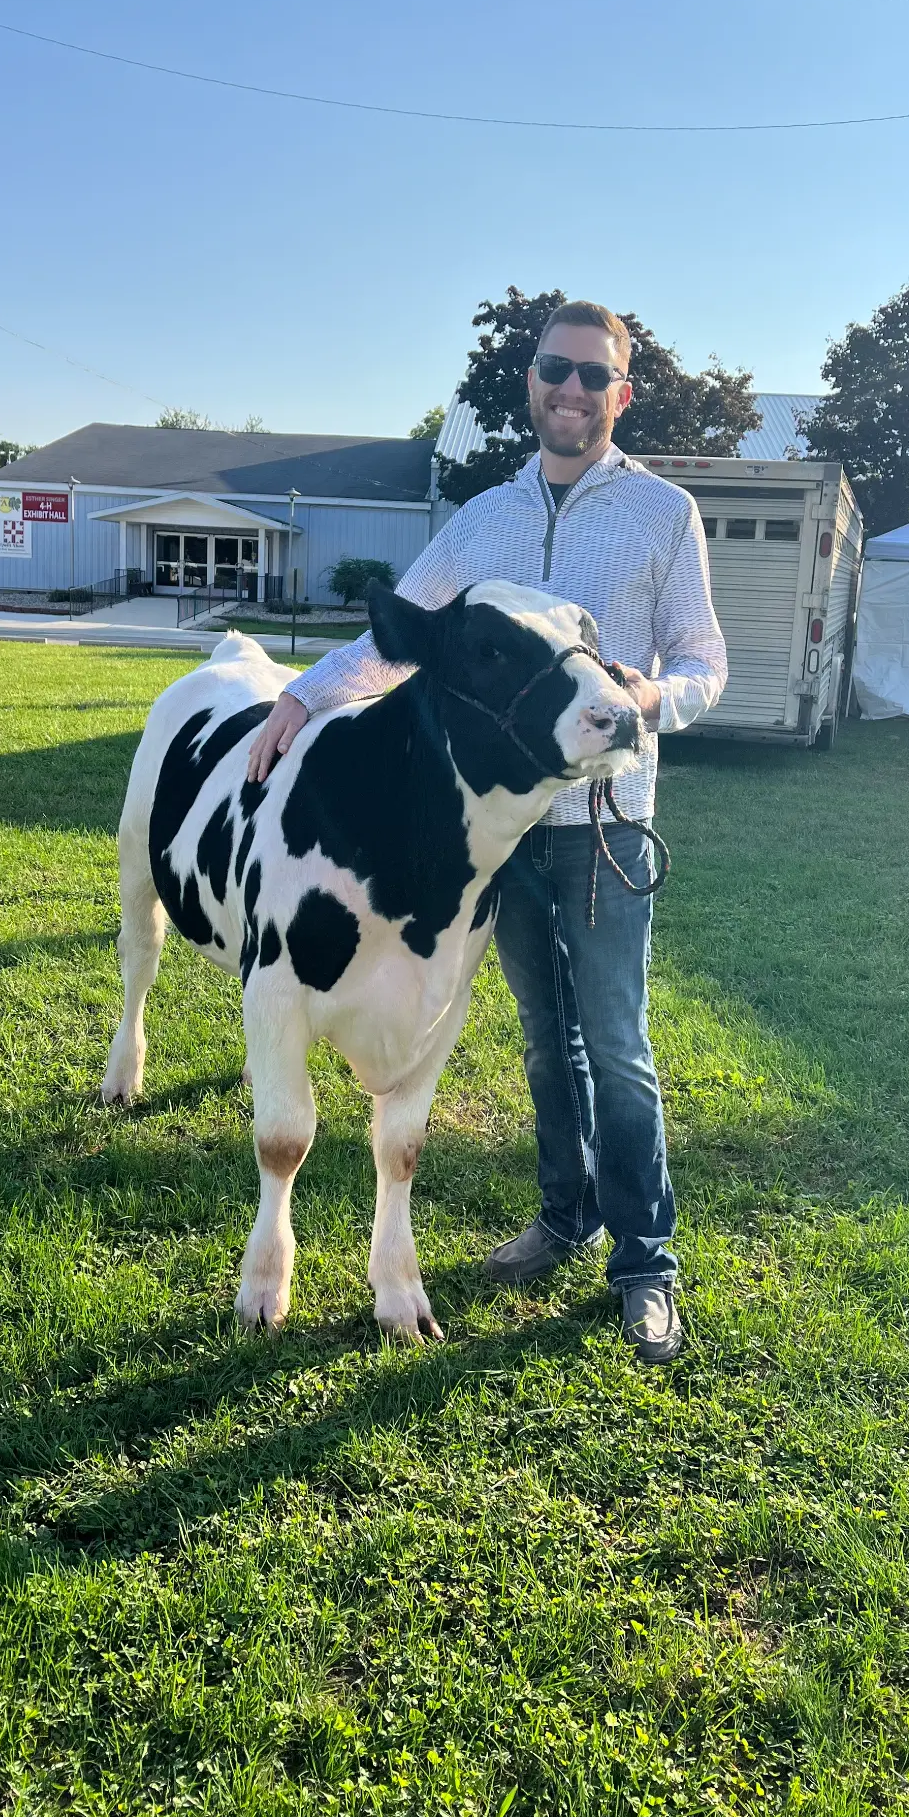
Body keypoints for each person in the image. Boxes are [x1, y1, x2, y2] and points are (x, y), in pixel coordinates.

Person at [247, 300, 727, 1362]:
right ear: (531, 381)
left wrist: (656, 702)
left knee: (618, 1047)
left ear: (621, 393)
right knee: (542, 1042)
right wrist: (301, 697)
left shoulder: (662, 515)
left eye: (594, 376)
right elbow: (399, 638)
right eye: (557, 369)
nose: (572, 389)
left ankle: (646, 1265)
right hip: (490, 840)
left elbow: (705, 659)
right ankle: (565, 1217)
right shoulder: (481, 521)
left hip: (601, 824)